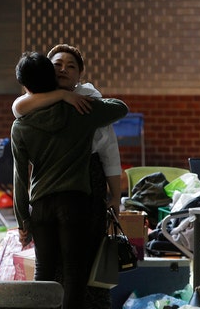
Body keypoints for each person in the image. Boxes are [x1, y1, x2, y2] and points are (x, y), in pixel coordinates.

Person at [11, 51, 128, 309]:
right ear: (51, 75)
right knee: (75, 274)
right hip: (75, 203)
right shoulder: (81, 110)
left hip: (40, 205)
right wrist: (86, 97)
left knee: (43, 272)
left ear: (25, 85)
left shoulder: (20, 124)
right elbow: (121, 108)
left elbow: (20, 176)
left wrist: (22, 220)